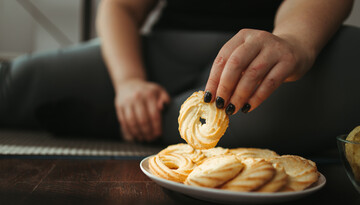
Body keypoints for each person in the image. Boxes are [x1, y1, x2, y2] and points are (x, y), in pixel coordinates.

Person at [0, 0, 359, 155]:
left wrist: (294, 42)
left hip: (262, 62)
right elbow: (120, 8)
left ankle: (137, 122)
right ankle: (157, 118)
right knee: (16, 81)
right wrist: (129, 82)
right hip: (161, 55)